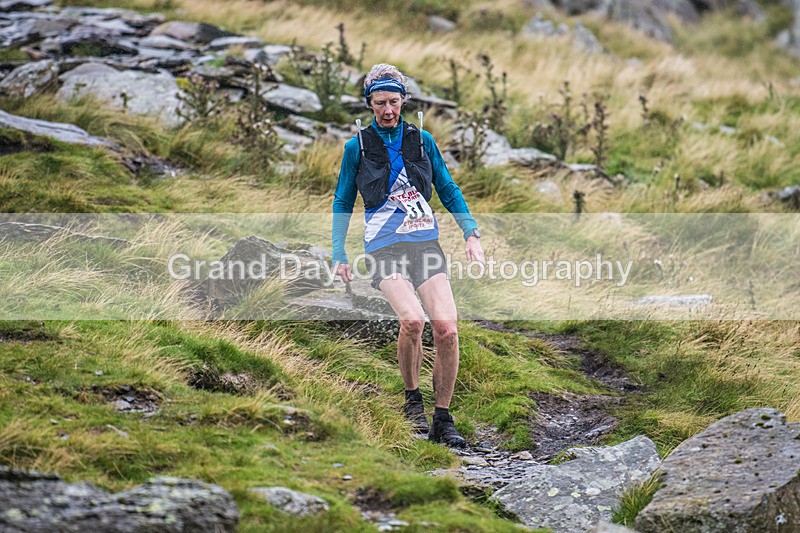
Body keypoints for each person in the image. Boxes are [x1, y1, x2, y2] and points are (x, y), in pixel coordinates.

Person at [332, 63, 484, 448]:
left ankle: (443, 419)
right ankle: (412, 400)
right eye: (380, 103)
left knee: (447, 329)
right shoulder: (358, 147)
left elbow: (447, 188)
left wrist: (471, 234)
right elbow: (342, 201)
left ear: (403, 101)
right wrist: (339, 252)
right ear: (369, 103)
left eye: (394, 102)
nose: (387, 110)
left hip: (425, 244)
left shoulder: (422, 140)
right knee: (413, 321)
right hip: (384, 247)